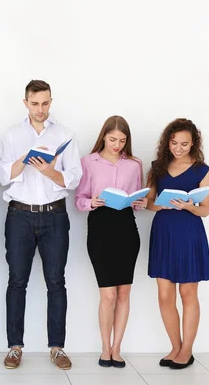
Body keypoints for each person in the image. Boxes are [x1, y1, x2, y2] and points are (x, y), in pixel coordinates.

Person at [0, 80, 82, 370]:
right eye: (35, 103)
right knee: (16, 281)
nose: (41, 109)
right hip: (19, 216)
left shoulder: (65, 135)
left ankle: (57, 347)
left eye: (45, 103)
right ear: (25, 103)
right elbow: (3, 175)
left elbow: (74, 178)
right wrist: (24, 161)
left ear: (51, 101)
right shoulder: (12, 135)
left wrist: (50, 171)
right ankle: (15, 347)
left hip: (55, 216)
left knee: (56, 282)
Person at [74, 115, 147, 368]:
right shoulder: (88, 162)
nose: (117, 144)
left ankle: (118, 349)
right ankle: (105, 348)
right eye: (113, 139)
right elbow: (79, 199)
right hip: (100, 229)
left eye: (122, 140)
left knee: (124, 293)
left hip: (127, 229)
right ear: (103, 136)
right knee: (107, 295)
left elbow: (137, 201)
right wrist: (90, 202)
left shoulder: (135, 164)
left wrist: (141, 202)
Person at [146, 118, 209, 370]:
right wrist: (155, 204)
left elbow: (205, 211)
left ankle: (187, 350)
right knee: (165, 295)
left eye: (184, 144)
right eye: (174, 143)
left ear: (193, 143)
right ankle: (175, 346)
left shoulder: (202, 171)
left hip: (189, 233)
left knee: (188, 293)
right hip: (164, 231)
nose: (178, 148)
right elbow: (150, 203)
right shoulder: (158, 167)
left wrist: (188, 206)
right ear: (168, 141)